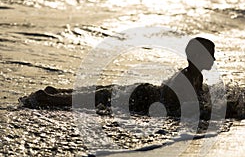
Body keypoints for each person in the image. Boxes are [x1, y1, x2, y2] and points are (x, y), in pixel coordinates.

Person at [19, 37, 216, 119]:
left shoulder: (196, 77)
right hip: (138, 97)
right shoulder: (185, 80)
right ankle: (46, 99)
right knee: (89, 99)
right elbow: (177, 112)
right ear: (197, 57)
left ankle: (54, 93)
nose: (214, 59)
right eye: (210, 54)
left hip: (143, 92)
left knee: (97, 94)